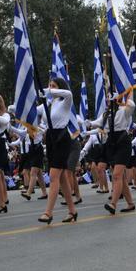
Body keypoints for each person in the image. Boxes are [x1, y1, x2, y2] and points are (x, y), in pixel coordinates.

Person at [37, 78, 78, 224]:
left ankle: (48, 213)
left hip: (62, 138)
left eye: (54, 86)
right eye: (49, 86)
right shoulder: (48, 104)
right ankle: (72, 211)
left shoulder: (64, 102)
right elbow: (32, 112)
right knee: (61, 179)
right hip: (50, 138)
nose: (50, 88)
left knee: (54, 175)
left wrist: (49, 91)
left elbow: (68, 93)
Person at [91, 91, 136, 215]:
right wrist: (86, 124)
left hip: (122, 142)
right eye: (107, 98)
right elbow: (98, 123)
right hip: (111, 143)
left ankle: (113, 204)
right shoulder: (107, 113)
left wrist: (121, 99)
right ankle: (130, 204)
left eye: (110, 97)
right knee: (119, 176)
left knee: (116, 175)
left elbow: (132, 106)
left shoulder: (124, 110)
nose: (107, 99)